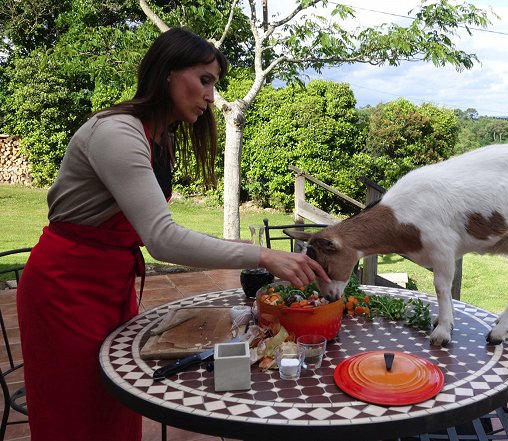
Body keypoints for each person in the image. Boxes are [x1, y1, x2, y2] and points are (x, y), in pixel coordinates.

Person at [16, 27, 329, 441]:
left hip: (110, 283)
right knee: (73, 415)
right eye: (204, 80)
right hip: (65, 289)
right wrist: (263, 256)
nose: (211, 97)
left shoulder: (158, 137)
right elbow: (162, 239)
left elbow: (152, 231)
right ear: (167, 72)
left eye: (214, 84)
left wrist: (243, 248)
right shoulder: (117, 133)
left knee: (114, 407)